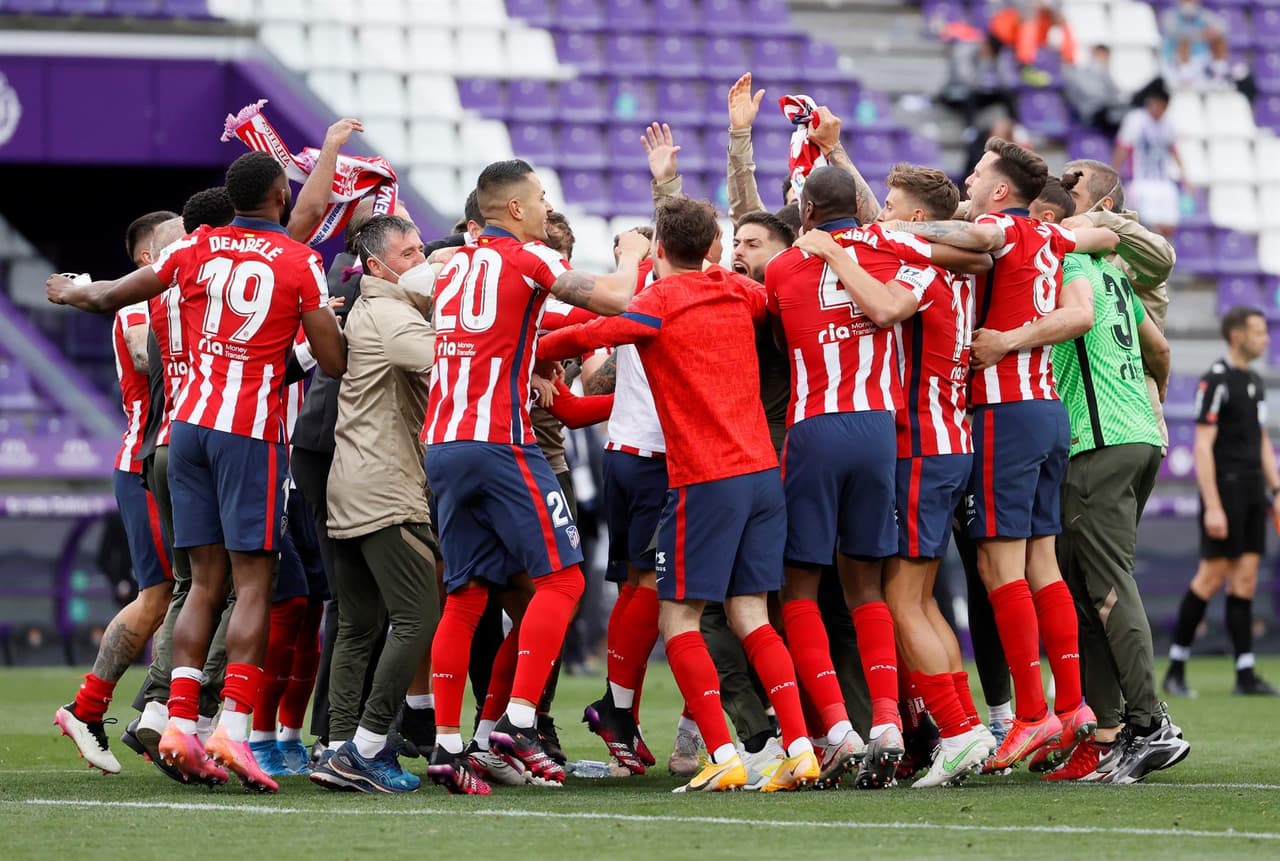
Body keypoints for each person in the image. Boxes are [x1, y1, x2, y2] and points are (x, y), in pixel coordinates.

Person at [46, 150, 348, 792]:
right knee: (255, 585)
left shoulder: (197, 248)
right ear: (278, 196)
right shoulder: (300, 262)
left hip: (184, 432)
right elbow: (333, 360)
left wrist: (70, 290)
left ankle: (179, 721)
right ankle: (231, 733)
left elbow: (106, 296)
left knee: (201, 583)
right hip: (249, 435)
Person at [538, 196, 820, 793]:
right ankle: (798, 747)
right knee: (751, 614)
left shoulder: (656, 304)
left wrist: (526, 354)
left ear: (659, 250)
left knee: (679, 619)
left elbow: (590, 332)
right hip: (762, 475)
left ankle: (722, 752)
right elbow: (759, 296)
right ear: (714, 248)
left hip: (706, 479)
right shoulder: (740, 292)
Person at [883, 138, 1117, 772]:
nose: (970, 177)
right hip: (1046, 409)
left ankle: (1033, 717)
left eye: (980, 172)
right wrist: (1088, 225)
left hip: (1002, 412)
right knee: (1042, 564)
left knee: (999, 571)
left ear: (1001, 190)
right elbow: (1104, 241)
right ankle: (1073, 707)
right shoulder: (1050, 236)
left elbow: (980, 242)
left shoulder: (995, 228)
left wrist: (891, 228)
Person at [422, 159, 649, 795]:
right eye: (542, 198)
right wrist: (634, 253)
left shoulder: (455, 262)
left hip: (441, 442)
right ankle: (519, 723)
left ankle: (450, 749)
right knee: (564, 579)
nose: (549, 207)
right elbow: (616, 297)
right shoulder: (527, 258)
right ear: (515, 209)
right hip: (498, 442)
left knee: (467, 598)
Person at [772, 166, 992, 789]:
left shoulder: (790, 265)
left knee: (803, 590)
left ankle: (845, 730)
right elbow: (976, 251)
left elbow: (873, 309)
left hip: (824, 430)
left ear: (807, 211)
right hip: (882, 434)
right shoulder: (905, 253)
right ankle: (896, 724)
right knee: (877, 590)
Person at [1025, 178, 1192, 784]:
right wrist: (1155, 402)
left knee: (1107, 589)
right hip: (1136, 433)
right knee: (1086, 590)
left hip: (1098, 442)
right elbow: (1159, 346)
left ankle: (1150, 726)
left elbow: (1077, 321)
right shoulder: (1114, 269)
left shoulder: (1065, 258)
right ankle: (1113, 730)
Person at [872, 164, 999, 788]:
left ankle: (954, 730)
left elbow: (884, 283)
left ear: (919, 218)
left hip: (920, 443)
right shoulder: (959, 269)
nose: (882, 213)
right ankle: (967, 726)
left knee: (901, 601)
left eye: (892, 204)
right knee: (921, 599)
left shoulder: (920, 267)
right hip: (951, 439)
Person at [305, 214, 441, 794]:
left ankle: (337, 747)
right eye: (410, 254)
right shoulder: (391, 315)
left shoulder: (371, 307)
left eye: (421, 249)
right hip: (387, 489)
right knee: (418, 617)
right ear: (379, 266)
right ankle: (365, 748)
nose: (423, 261)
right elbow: (449, 363)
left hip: (349, 483)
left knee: (359, 625)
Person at [54, 211, 176, 775]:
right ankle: (93, 707)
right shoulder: (138, 308)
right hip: (147, 461)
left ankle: (167, 711)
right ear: (147, 259)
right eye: (175, 240)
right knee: (164, 593)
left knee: (197, 587)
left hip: (168, 459)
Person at [1163, 308, 1280, 699]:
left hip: (1251, 492)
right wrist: (1212, 505)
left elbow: (1262, 439)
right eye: (1258, 332)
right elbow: (1202, 446)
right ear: (1236, 335)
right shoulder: (1215, 380)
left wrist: (1276, 490)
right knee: (1210, 577)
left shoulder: (1252, 380)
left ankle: (1245, 674)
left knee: (1244, 580)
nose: (1265, 338)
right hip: (1225, 491)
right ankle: (1176, 668)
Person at [1113, 87, 1186, 237]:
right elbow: (1123, 148)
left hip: (1163, 181)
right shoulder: (1135, 120)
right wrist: (1114, 172)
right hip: (1141, 181)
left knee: (1169, 225)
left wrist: (1185, 175)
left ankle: (1163, 256)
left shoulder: (1169, 123)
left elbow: (1173, 149)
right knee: (1143, 225)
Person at [1063, 45, 1129, 138]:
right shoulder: (1081, 73)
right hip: (1092, 115)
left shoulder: (1105, 73)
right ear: (1094, 54)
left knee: (1134, 114)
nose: (1105, 59)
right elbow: (1095, 96)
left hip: (1106, 111)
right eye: (1102, 55)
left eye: (1107, 56)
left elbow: (1116, 94)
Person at [1160, 0, 1231, 87]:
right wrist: (1199, 34)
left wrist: (1212, 33)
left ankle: (1219, 71)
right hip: (1175, 60)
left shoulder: (1203, 15)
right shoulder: (1171, 15)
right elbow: (1175, 32)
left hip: (1201, 59)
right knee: (1184, 39)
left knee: (1219, 39)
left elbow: (1223, 28)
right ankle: (1185, 73)